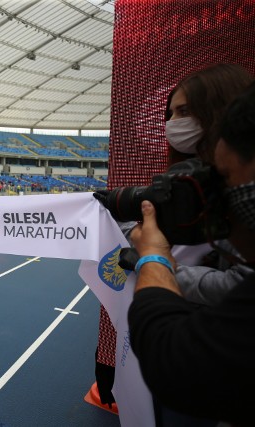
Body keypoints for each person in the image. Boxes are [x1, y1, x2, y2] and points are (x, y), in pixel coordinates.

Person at [94, 63, 255, 407]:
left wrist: (156, 265)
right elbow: (154, 227)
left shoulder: (239, 197)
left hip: (204, 354)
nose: (172, 123)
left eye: (183, 111)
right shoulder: (184, 179)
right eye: (170, 113)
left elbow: (239, 282)